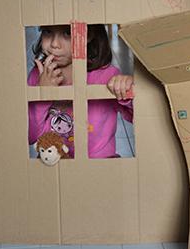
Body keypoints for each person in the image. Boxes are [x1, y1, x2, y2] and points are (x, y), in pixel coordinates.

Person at [28, 24, 134, 159]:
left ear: (88, 35)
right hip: (54, 166)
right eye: (47, 32)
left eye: (67, 33)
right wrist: (43, 94)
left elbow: (136, 116)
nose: (54, 44)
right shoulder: (38, 76)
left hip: (100, 166)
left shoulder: (107, 76)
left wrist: (126, 90)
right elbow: (31, 136)